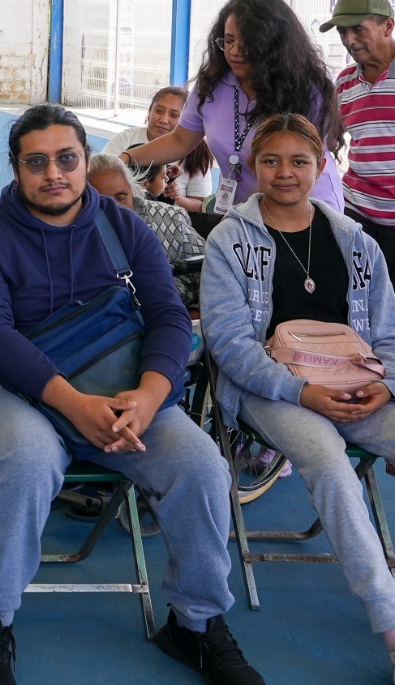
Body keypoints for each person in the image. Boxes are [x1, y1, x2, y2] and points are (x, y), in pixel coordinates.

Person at [0, 104, 263, 685]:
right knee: (25, 463)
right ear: (16, 169)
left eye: (67, 159)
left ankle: (195, 624)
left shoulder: (124, 226)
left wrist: (148, 396)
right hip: (22, 392)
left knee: (201, 466)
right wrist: (73, 405)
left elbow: (171, 318)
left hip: (124, 391)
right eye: (36, 162)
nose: (54, 174)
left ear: (83, 160)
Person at [203, 113, 395, 680]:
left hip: (362, 387)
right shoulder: (229, 240)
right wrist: (301, 391)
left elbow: (388, 334)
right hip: (273, 392)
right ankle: (388, 619)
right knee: (331, 464)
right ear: (251, 166)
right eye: (271, 160)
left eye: (299, 161)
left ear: (321, 166)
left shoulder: (355, 242)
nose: (285, 172)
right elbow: (231, 346)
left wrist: (386, 385)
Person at [121, 0, 344, 214]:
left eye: (247, 43)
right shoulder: (213, 84)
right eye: (228, 41)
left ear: (272, 45)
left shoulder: (306, 90)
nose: (234, 51)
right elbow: (179, 141)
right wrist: (125, 158)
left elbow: (302, 169)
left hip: (303, 210)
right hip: (243, 211)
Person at [326, 0, 395, 265]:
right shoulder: (344, 83)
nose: (349, 40)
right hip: (356, 211)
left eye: (358, 29)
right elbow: (327, 139)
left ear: (388, 26)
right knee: (355, 296)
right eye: (343, 32)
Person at [86, 155, 205, 311]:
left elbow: (211, 270)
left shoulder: (171, 218)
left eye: (121, 198)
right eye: (101, 200)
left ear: (133, 192)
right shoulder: (75, 229)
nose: (113, 208)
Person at [102, 86, 215, 213]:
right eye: (159, 111)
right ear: (149, 111)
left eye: (174, 115)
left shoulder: (196, 153)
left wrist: (174, 198)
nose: (163, 120)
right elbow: (100, 178)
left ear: (187, 120)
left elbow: (201, 206)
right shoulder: (125, 139)